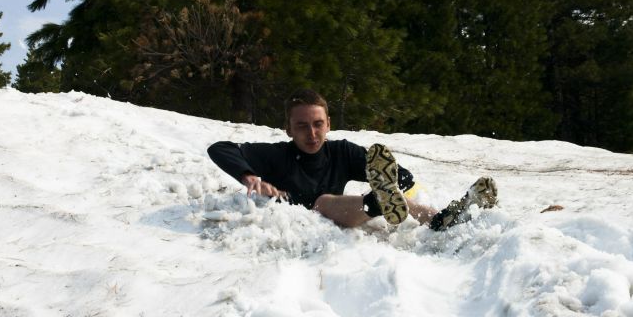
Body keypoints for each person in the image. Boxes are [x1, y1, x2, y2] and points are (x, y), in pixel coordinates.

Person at [207, 88, 497, 231]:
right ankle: (378, 202)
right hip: (307, 215)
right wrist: (250, 176)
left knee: (393, 193)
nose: (312, 133)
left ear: (329, 124)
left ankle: (442, 219)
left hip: (350, 210)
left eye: (318, 124)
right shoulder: (275, 154)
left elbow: (401, 175)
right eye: (302, 126)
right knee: (323, 201)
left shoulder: (341, 152)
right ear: (288, 129)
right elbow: (220, 148)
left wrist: (395, 181)